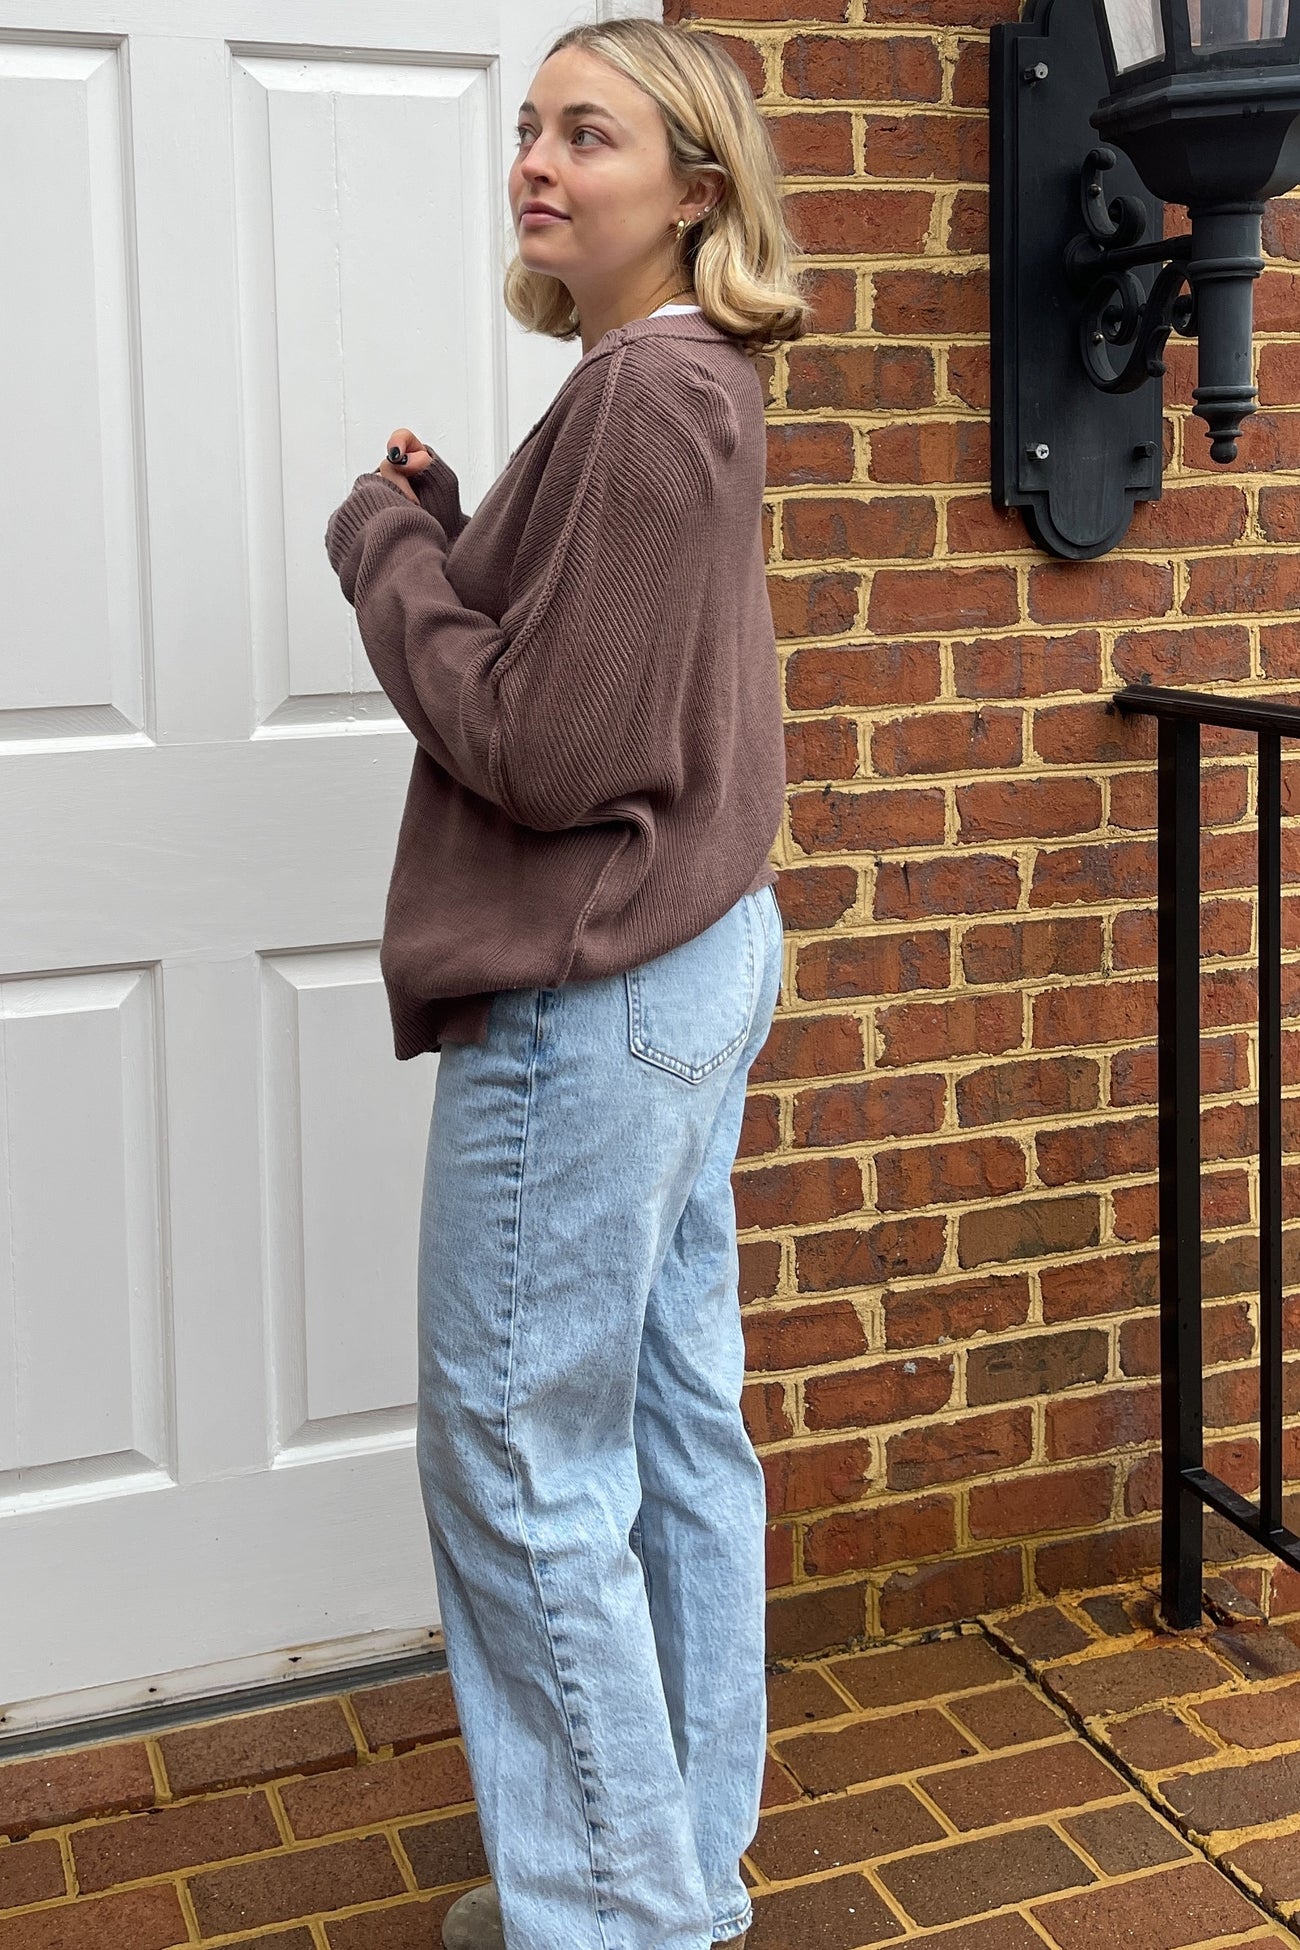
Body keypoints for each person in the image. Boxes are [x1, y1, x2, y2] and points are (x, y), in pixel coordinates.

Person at [323, 19, 810, 1948]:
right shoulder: (681, 381)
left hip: (596, 991)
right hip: (688, 953)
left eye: (587, 134)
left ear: (694, 187)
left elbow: (538, 749)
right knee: (675, 1433)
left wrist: (386, 550)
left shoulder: (644, 396)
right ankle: (680, 1875)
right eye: (529, 126)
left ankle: (618, 1913)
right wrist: (462, 532)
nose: (536, 159)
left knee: (523, 1460)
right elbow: (592, 680)